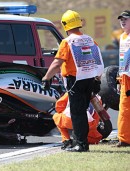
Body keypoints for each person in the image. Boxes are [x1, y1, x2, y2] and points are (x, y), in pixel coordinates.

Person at [41, 10, 104, 152]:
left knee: (77, 113)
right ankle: (79, 141)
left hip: (75, 81)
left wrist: (46, 78)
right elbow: (98, 62)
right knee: (82, 111)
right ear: (79, 23)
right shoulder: (90, 40)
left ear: (65, 24)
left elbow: (57, 63)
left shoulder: (67, 42)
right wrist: (98, 80)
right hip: (90, 80)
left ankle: (81, 144)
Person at [115, 10, 130, 147]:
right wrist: (119, 79)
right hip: (125, 78)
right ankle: (124, 139)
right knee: (124, 109)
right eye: (121, 19)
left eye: (126, 19)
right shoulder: (123, 37)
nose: (123, 21)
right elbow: (122, 60)